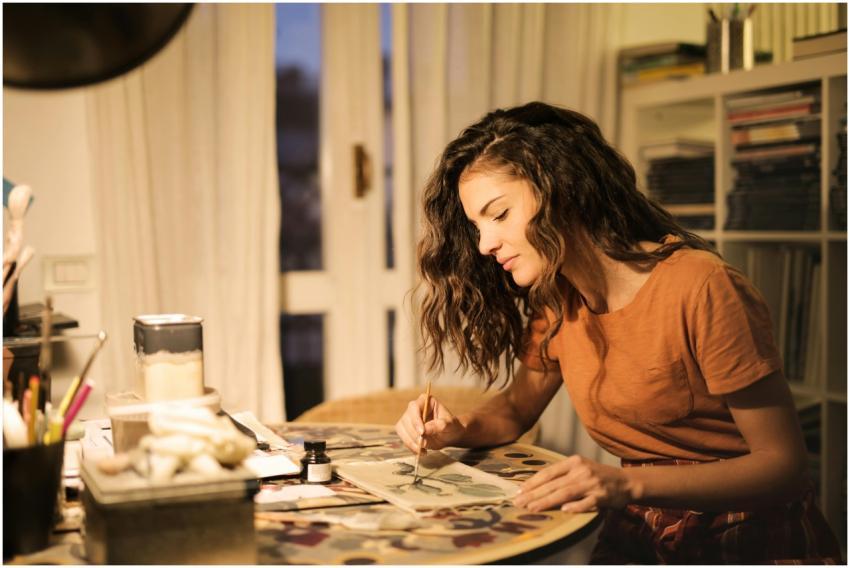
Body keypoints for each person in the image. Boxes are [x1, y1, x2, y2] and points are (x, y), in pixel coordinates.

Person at [394, 102, 841, 564]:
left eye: (500, 214)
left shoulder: (702, 286)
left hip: (746, 536)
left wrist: (624, 482)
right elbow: (515, 410)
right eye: (476, 227)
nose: (485, 244)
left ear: (561, 187)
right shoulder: (558, 296)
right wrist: (457, 429)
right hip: (643, 528)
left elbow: (783, 466)